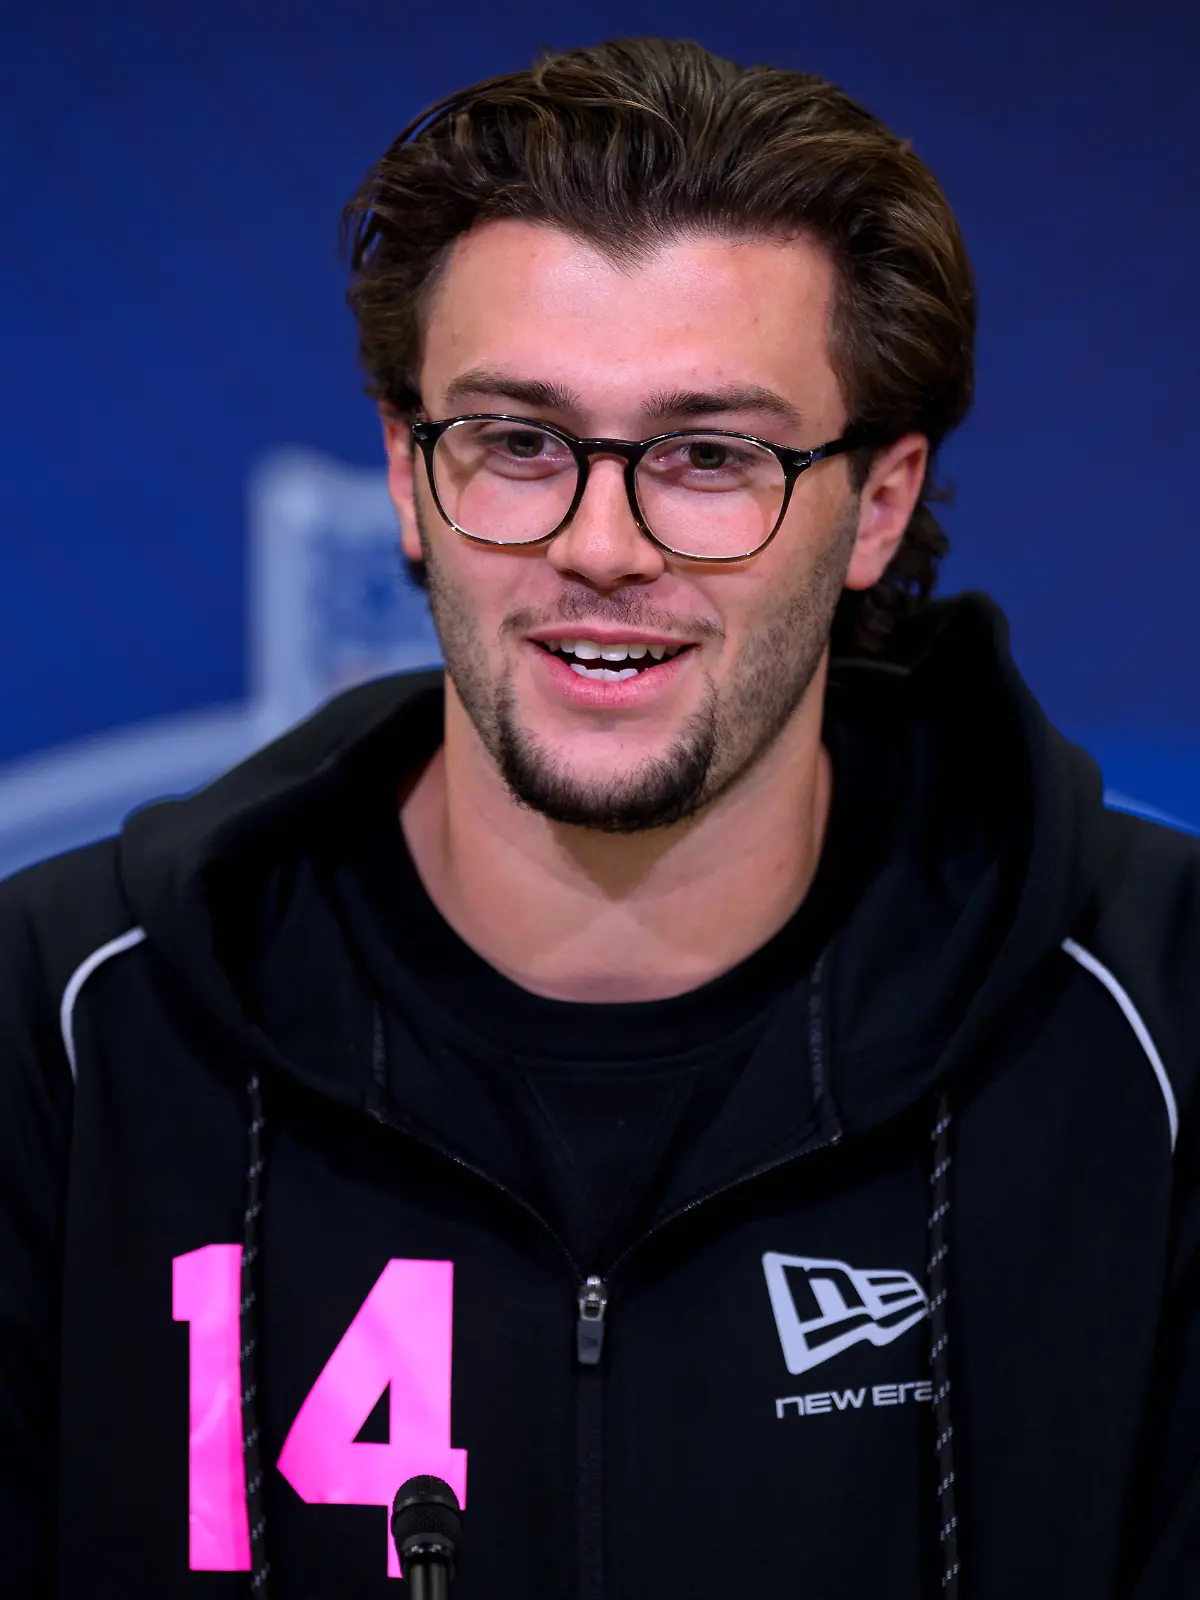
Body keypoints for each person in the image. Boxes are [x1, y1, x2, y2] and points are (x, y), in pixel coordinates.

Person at [1, 35, 1197, 1600]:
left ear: (879, 505)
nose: (602, 544)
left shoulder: (1162, 1013)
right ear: (405, 476)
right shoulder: (69, 1026)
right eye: (518, 443)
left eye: (712, 456)